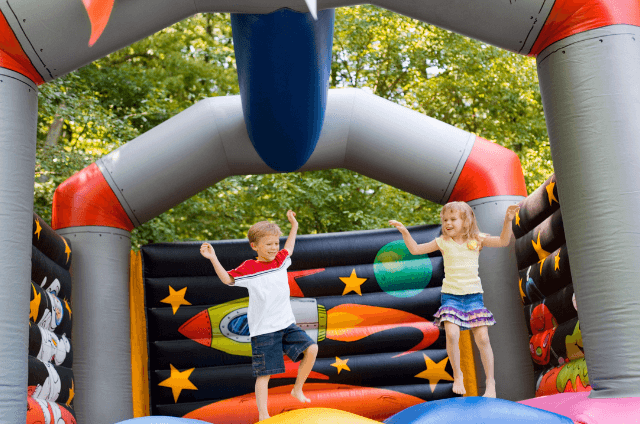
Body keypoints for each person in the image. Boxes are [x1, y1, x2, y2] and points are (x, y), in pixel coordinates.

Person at [389, 201, 519, 398]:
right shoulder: (442, 242)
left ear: (465, 221)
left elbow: (503, 241)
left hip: (474, 296)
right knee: (451, 334)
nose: (447, 223)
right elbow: (416, 250)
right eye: (445, 220)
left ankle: (490, 383)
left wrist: (507, 220)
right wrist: (405, 232)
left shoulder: (477, 239)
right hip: (451, 296)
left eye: (452, 219)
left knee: (482, 338)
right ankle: (458, 375)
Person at [200, 210, 318, 421]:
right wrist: (213, 258)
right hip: (264, 330)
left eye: (275, 243)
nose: (274, 248)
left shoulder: (281, 259)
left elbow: (288, 248)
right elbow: (227, 280)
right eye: (268, 244)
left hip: (286, 323)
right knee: (264, 374)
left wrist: (294, 226)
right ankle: (263, 414)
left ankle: (297, 389)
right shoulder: (249, 268)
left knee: (312, 348)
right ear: (254, 246)